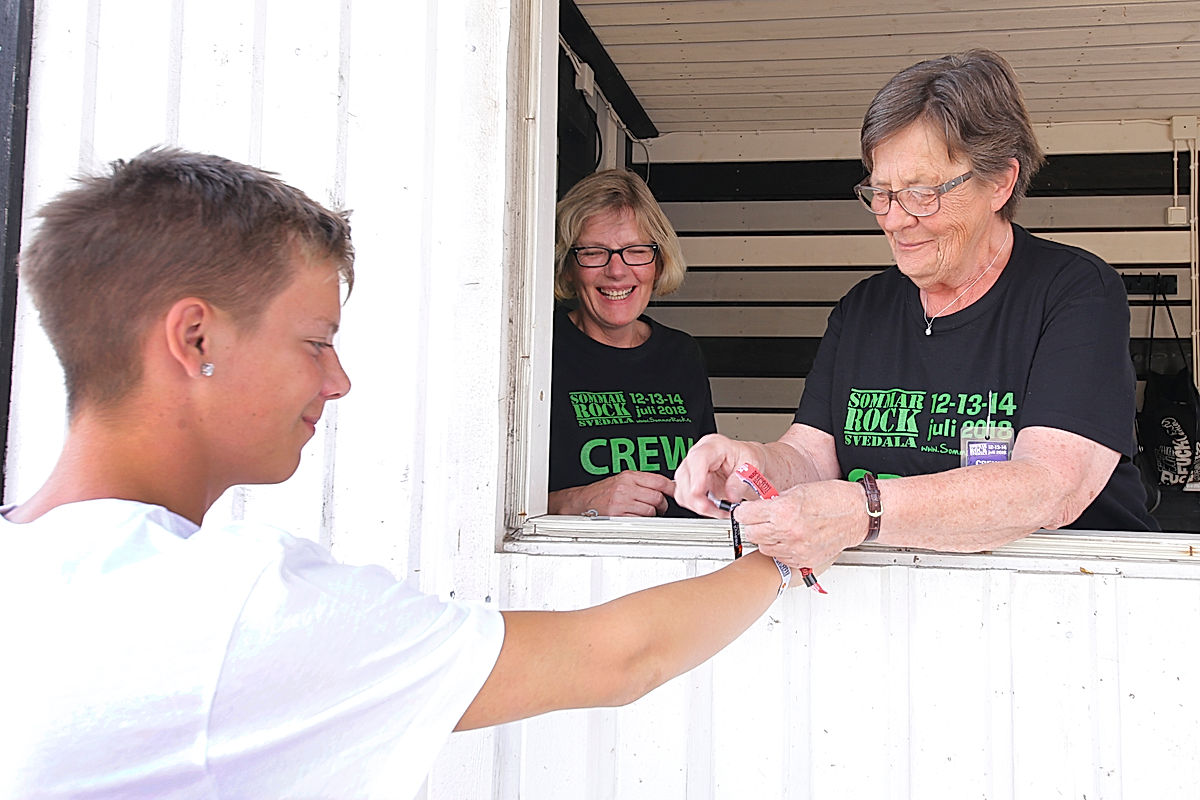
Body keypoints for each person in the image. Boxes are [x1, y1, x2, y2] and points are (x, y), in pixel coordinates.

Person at [0, 149, 792, 799]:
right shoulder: (240, 606)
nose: (339, 380)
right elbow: (618, 659)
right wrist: (793, 541)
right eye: (316, 340)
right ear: (196, 339)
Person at [674, 49, 1158, 571]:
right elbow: (813, 457)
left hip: (1078, 601)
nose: (894, 220)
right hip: (902, 604)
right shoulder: (863, 309)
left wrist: (864, 511)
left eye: (922, 193)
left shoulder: (1075, 291)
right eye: (880, 193)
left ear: (1000, 181)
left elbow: (1048, 489)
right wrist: (751, 463)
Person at [548, 169, 716, 517]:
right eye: (594, 252)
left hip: (678, 563)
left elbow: (704, 486)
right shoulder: (536, 352)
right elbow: (486, 500)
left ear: (658, 261)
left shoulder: (683, 354)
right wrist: (580, 503)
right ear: (568, 266)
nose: (617, 271)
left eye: (636, 251)